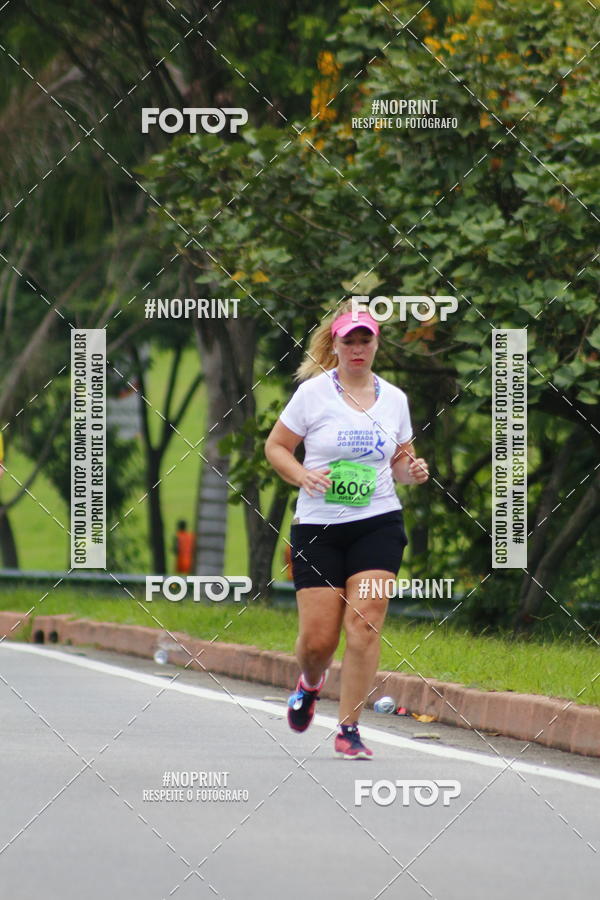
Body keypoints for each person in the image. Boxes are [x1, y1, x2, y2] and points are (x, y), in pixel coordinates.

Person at [265, 301, 429, 759]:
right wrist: (301, 476)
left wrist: (412, 471)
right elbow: (276, 447)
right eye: (349, 340)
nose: (357, 348)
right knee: (319, 642)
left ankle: (350, 728)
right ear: (334, 345)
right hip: (319, 526)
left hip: (377, 523)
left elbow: (401, 460)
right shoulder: (313, 394)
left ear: (377, 344)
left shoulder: (394, 399)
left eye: (365, 340)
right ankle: (311, 682)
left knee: (366, 623)